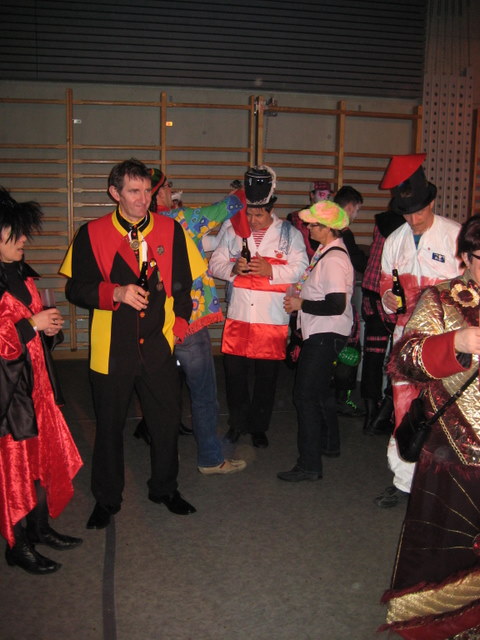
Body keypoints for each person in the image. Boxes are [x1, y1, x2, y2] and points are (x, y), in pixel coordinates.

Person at [60, 158, 199, 529]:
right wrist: (115, 293)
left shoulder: (171, 230)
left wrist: (179, 327)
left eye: (148, 191)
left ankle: (165, 489)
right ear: (115, 193)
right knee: (108, 427)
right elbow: (74, 289)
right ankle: (107, 498)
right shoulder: (92, 233)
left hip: (158, 348)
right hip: (112, 350)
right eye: (134, 191)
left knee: (166, 424)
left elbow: (184, 287)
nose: (143, 199)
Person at [380, 214, 480, 639]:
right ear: (465, 257)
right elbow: (405, 358)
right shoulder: (441, 298)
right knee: (447, 548)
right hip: (453, 447)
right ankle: (446, 621)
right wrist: (454, 342)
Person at [141, 167, 247, 475]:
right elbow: (226, 208)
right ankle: (210, 458)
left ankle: (163, 460)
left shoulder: (138, 226)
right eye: (166, 187)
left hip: (153, 322)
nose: (171, 191)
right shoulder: (181, 220)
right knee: (203, 393)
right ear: (156, 194)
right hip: (187, 319)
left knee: (160, 392)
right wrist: (241, 192)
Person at [0, 187, 83, 574]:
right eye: (15, 234)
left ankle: (39, 527)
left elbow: (32, 330)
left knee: (41, 458)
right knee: (14, 468)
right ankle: (17, 545)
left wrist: (47, 330)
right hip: (10, 394)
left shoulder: (21, 273)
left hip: (38, 386)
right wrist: (31, 324)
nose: (24, 240)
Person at [374, 153, 462, 508]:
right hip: (405, 341)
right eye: (407, 213)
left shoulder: (456, 237)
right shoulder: (394, 240)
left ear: (432, 203)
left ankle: (443, 484)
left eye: (419, 212)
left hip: (445, 343)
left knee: (446, 414)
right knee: (404, 409)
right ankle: (404, 481)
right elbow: (385, 286)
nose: (413, 219)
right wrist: (387, 300)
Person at [209, 165, 308, 448]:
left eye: (258, 215)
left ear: (270, 210)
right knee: (235, 375)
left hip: (271, 318)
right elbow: (214, 264)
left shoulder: (289, 233)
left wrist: (270, 270)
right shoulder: (233, 229)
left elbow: (301, 268)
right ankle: (237, 423)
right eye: (249, 214)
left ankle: (259, 426)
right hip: (239, 315)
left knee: (266, 377)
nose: (252, 220)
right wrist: (233, 270)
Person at [277, 201, 353, 482]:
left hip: (325, 334)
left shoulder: (333, 260)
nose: (308, 228)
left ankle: (309, 464)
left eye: (313, 224)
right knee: (320, 393)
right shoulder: (327, 252)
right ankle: (329, 443)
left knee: (305, 396)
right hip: (324, 333)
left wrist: (301, 304)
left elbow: (336, 304)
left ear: (328, 228)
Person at [360, 209, 405, 434]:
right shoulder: (407, 229)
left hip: (371, 294)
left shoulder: (381, 221)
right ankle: (384, 413)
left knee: (373, 356)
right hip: (393, 298)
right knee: (398, 357)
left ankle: (370, 413)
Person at [332, 186, 367, 417]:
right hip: (338, 302)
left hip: (322, 301)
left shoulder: (326, 227)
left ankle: (331, 398)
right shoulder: (343, 232)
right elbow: (359, 263)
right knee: (349, 350)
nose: (356, 214)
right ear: (351, 206)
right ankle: (341, 400)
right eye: (357, 209)